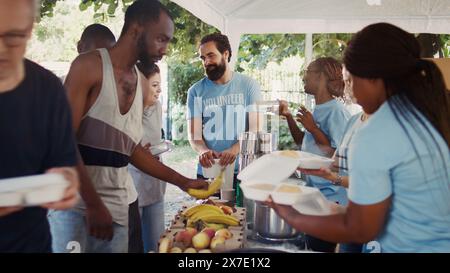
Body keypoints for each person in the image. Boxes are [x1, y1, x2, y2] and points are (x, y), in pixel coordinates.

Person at [267, 22, 450, 253]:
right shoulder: (426, 116)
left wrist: (292, 216)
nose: (349, 91)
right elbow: (387, 210)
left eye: (350, 80)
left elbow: (360, 229)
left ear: (372, 77)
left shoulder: (377, 131)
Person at [50, 0, 208, 253]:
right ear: (136, 29)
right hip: (75, 208)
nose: (165, 49)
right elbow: (61, 142)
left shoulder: (142, 85)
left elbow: (130, 149)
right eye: (161, 39)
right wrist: (93, 204)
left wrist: (182, 181)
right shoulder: (88, 67)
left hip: (117, 209)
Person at [0, 0, 79, 253]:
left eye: (13, 38)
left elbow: (63, 162)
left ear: (30, 29)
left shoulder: (47, 89)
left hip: (31, 245)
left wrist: (65, 180)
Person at [187, 33, 262, 203]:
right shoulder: (195, 91)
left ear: (226, 54)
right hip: (208, 171)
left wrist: (235, 149)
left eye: (211, 55)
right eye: (203, 58)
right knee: (207, 225)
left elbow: (255, 128)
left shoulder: (249, 86)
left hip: (242, 171)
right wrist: (203, 150)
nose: (206, 62)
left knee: (240, 223)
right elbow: (195, 135)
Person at [128, 63, 167, 253]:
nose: (159, 90)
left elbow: (155, 138)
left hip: (155, 181)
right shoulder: (126, 110)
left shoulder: (157, 106)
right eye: (154, 85)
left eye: (160, 84)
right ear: (139, 85)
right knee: (135, 242)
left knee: (157, 242)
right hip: (133, 182)